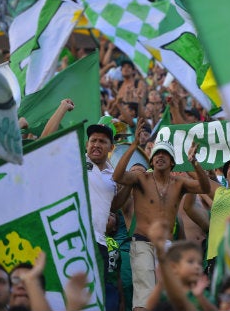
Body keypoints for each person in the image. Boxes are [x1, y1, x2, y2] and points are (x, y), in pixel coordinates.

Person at [113, 119, 211, 311]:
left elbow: (205, 187)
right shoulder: (141, 178)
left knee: (168, 295)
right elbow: (117, 177)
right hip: (141, 242)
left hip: (167, 245)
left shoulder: (179, 184)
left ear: (172, 162)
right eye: (157, 153)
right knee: (143, 293)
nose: (160, 157)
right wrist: (133, 146)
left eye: (165, 154)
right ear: (151, 160)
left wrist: (194, 164)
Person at [85, 123, 129, 288]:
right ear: (86, 144)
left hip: (100, 242)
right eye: (93, 140)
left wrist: (129, 184)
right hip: (76, 238)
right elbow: (46, 139)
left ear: (111, 147)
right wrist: (62, 109)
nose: (96, 144)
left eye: (102, 141)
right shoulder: (76, 161)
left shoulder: (114, 175)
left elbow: (114, 206)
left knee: (96, 293)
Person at [146, 220, 216, 311]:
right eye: (191, 262)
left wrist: (200, 297)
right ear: (174, 267)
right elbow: (149, 307)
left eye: (199, 263)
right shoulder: (168, 293)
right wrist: (160, 284)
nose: (197, 266)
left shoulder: (203, 293)